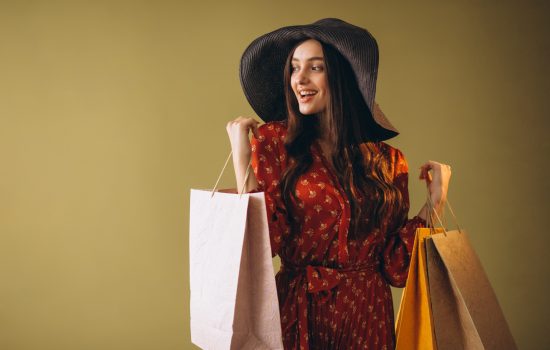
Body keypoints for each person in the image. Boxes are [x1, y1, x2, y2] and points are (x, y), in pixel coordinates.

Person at [226, 18, 451, 350]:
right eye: (293, 68)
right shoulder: (275, 143)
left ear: (343, 78)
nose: (299, 79)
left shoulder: (389, 161)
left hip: (369, 316)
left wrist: (435, 202)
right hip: (301, 312)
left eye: (315, 67)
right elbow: (263, 245)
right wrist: (242, 157)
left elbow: (397, 269)